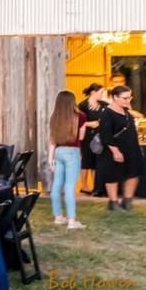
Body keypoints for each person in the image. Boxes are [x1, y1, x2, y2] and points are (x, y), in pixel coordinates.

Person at [98, 85, 143, 211]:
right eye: (125, 98)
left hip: (132, 149)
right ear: (115, 97)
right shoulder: (107, 113)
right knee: (112, 175)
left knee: (133, 173)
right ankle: (113, 202)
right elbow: (105, 135)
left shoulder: (126, 111)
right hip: (114, 150)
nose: (128, 100)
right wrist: (115, 151)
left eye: (130, 97)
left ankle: (127, 200)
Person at [47, 90, 86, 229]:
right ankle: (72, 220)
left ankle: (58, 217)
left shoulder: (54, 117)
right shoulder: (81, 116)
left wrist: (50, 158)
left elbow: (52, 140)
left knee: (57, 185)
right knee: (70, 187)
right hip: (72, 152)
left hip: (58, 152)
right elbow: (81, 137)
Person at [78, 83, 107, 195]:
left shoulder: (104, 105)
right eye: (101, 93)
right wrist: (90, 123)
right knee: (86, 160)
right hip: (87, 136)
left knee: (97, 161)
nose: (102, 95)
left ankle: (96, 186)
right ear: (93, 92)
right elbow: (78, 121)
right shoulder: (83, 105)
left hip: (99, 135)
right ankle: (84, 185)